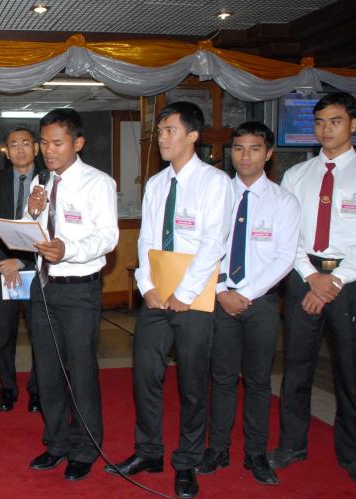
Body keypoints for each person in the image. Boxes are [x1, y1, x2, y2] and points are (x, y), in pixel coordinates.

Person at [105, 102, 233, 499]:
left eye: (170, 130)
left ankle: (187, 461)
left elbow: (214, 242)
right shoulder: (157, 183)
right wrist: (146, 286)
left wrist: (185, 293)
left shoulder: (215, 182)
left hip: (194, 298)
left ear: (192, 135)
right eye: (160, 131)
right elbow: (146, 238)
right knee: (145, 375)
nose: (161, 138)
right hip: (157, 296)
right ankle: (149, 452)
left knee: (193, 383)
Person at [270, 92, 356, 488]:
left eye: (335, 121)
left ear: (354, 125)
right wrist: (311, 276)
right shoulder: (296, 175)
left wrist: (333, 282)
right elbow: (287, 233)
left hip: (349, 283)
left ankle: (354, 455)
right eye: (320, 122)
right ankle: (292, 445)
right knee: (296, 368)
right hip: (303, 276)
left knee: (351, 372)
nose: (325, 129)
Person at [195, 122, 300, 485]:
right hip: (219, 298)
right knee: (222, 378)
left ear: (268, 154)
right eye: (238, 148)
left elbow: (285, 257)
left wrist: (246, 294)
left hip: (262, 303)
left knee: (257, 381)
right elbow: (204, 246)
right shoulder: (217, 194)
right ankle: (218, 448)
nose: (245, 156)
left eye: (254, 149)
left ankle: (255, 453)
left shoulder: (284, 201)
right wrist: (221, 290)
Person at [25, 108, 118, 481]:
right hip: (43, 287)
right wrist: (31, 212)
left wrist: (69, 250)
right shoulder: (41, 181)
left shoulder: (98, 183)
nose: (48, 150)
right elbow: (31, 234)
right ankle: (56, 443)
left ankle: (85, 448)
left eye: (56, 143)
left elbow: (108, 237)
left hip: (79, 289)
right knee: (47, 373)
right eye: (44, 143)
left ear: (77, 143)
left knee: (81, 374)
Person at [0, 126, 42, 413]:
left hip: (37, 269)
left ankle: (37, 389)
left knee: (38, 333)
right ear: (7, 152)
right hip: (2, 268)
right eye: (13, 145)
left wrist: (21, 262)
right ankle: (7, 389)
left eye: (25, 143)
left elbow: (51, 228)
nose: (20, 149)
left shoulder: (49, 180)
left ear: (36, 148)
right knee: (4, 333)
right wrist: (6, 263)